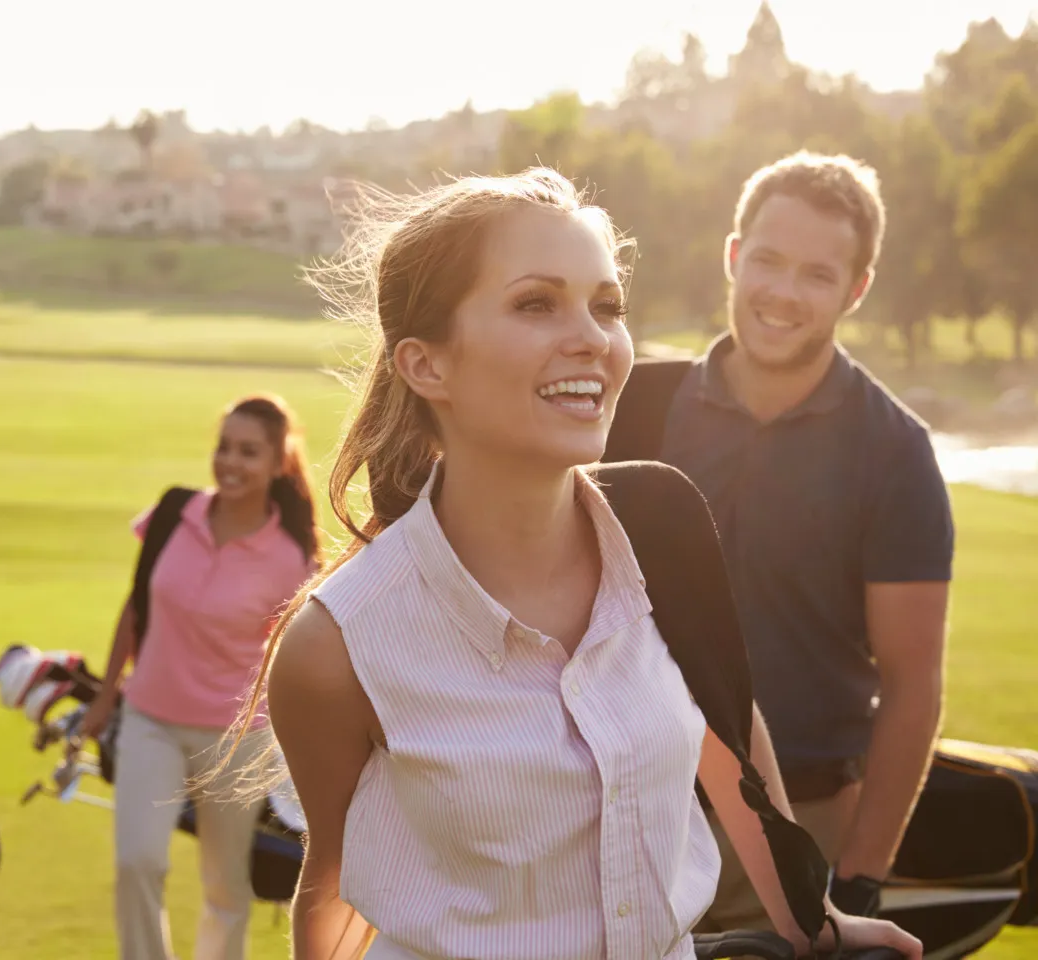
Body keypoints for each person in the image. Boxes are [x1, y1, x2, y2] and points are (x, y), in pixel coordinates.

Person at [210, 168, 921, 960]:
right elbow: (336, 883)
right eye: (535, 303)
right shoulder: (337, 645)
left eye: (606, 305)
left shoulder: (665, 527)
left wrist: (813, 922)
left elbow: (724, 725)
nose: (592, 336)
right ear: (426, 364)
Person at [603, 151, 954, 929]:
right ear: (733, 256)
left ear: (856, 289)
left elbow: (912, 681)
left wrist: (857, 879)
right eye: (767, 261)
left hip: (797, 820)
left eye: (818, 274)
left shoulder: (894, 450)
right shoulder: (631, 408)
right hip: (618, 805)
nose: (783, 293)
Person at [75, 393, 321, 960]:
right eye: (224, 447)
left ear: (276, 463)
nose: (230, 462)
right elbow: (135, 610)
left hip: (236, 739)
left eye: (248, 452)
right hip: (149, 719)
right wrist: (103, 700)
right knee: (138, 862)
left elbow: (295, 655)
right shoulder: (172, 515)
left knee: (225, 887)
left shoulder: (292, 555)